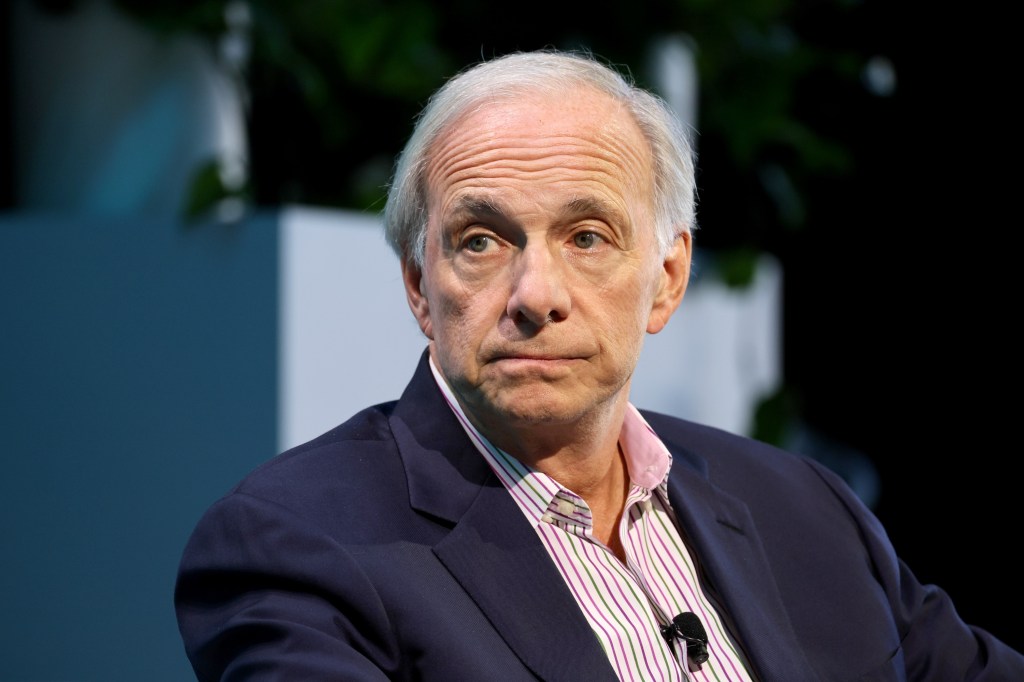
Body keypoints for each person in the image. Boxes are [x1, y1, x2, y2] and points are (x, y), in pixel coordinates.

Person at [174, 49, 1024, 681]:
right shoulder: (295, 545)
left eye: (587, 237)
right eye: (480, 240)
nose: (535, 294)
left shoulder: (803, 509)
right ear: (418, 289)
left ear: (667, 279)